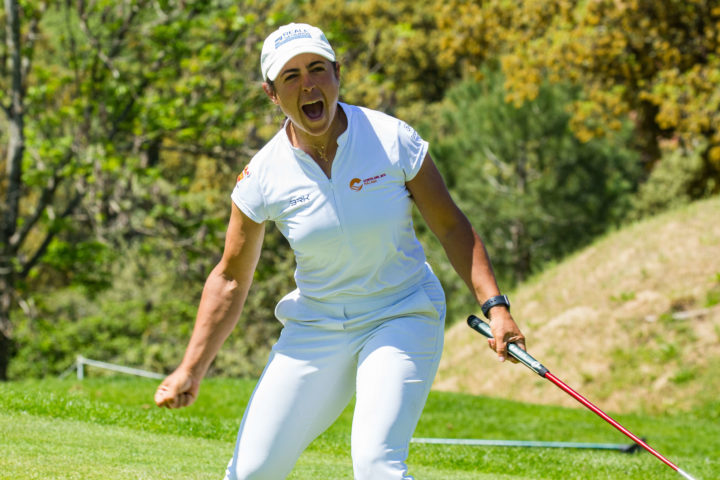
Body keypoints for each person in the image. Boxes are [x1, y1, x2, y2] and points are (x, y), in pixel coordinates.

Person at [154, 22, 527, 480]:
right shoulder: (262, 175)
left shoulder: (391, 138)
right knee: (250, 472)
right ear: (272, 94)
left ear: (337, 75)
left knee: (376, 465)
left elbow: (452, 227)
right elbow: (230, 278)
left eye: (317, 69)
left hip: (401, 313)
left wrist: (496, 307)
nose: (308, 84)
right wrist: (191, 367)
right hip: (317, 326)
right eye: (290, 76)